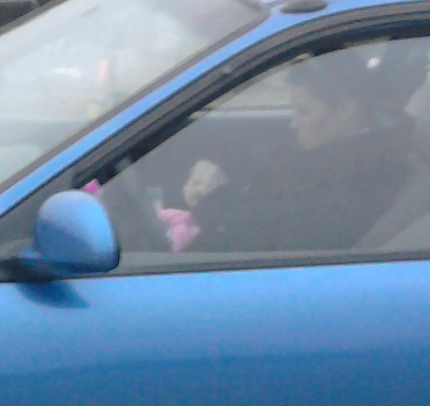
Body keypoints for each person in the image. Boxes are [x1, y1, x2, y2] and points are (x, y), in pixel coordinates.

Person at [174, 50, 409, 255]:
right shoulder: (343, 157)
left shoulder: (357, 176)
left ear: (346, 110)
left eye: (304, 112)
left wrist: (215, 199)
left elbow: (270, 246)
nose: (293, 124)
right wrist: (214, 198)